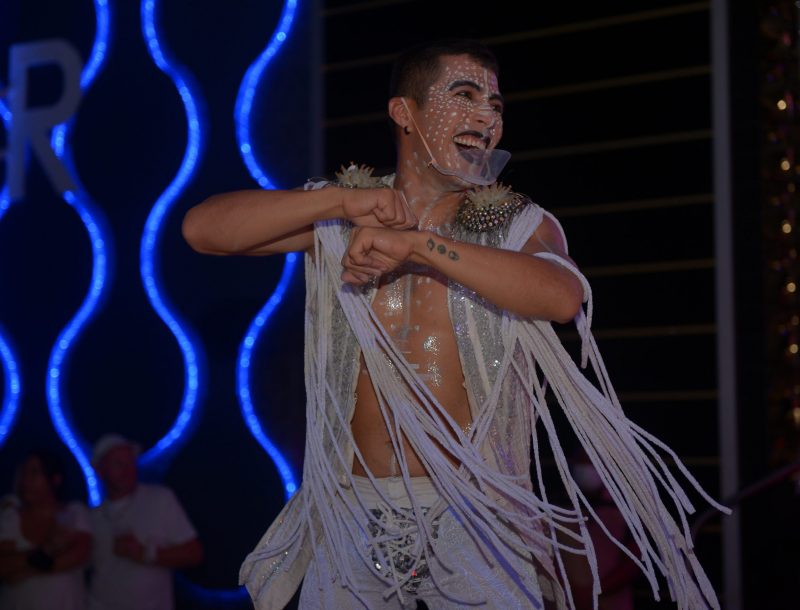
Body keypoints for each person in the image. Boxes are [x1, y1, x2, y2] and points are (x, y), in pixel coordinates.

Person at [183, 39, 726, 610]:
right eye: (464, 96)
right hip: (351, 512)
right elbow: (204, 231)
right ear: (405, 113)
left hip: (477, 516)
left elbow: (563, 296)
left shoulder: (518, 226)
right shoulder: (341, 218)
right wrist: (340, 204)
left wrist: (419, 246)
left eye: (494, 103)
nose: (486, 117)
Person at [87, 434, 203, 610]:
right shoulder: (91, 516)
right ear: (100, 470)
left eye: (130, 462)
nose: (127, 469)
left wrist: (146, 553)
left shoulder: (160, 499)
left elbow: (194, 553)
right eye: (118, 464)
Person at [0, 449, 92, 610]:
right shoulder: (11, 517)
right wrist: (46, 551)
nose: (26, 480)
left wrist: (23, 571)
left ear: (55, 479)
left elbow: (78, 555)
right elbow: (3, 565)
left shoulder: (74, 513)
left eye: (34, 473)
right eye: (24, 473)